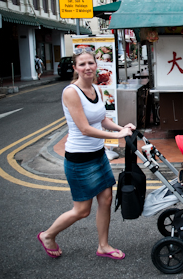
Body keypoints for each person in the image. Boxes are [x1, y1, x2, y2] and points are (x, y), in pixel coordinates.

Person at [37, 49, 135, 260]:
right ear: (75, 68)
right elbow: (85, 128)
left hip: (98, 155)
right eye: (82, 64)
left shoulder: (96, 89)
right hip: (79, 159)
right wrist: (117, 135)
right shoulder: (71, 92)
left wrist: (121, 128)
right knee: (82, 210)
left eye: (90, 63)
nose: (87, 67)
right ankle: (48, 235)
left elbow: (101, 120)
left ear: (96, 65)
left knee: (106, 199)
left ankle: (103, 245)